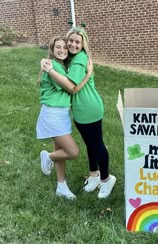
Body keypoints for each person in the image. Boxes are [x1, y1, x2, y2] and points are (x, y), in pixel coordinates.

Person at [41, 26, 116, 199]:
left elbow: (72, 88)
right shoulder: (71, 58)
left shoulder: (79, 60)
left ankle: (106, 179)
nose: (73, 45)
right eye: (71, 41)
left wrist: (87, 74)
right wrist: (45, 62)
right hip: (82, 108)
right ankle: (94, 175)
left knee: (97, 144)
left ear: (83, 44)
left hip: (88, 107)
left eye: (77, 42)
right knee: (91, 143)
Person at [36, 35, 92, 200]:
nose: (62, 50)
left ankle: (61, 186)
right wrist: (88, 75)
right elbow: (70, 88)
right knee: (72, 152)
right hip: (53, 115)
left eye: (64, 47)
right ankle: (48, 156)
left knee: (60, 150)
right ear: (52, 51)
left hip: (61, 114)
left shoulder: (58, 65)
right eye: (57, 47)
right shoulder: (53, 67)